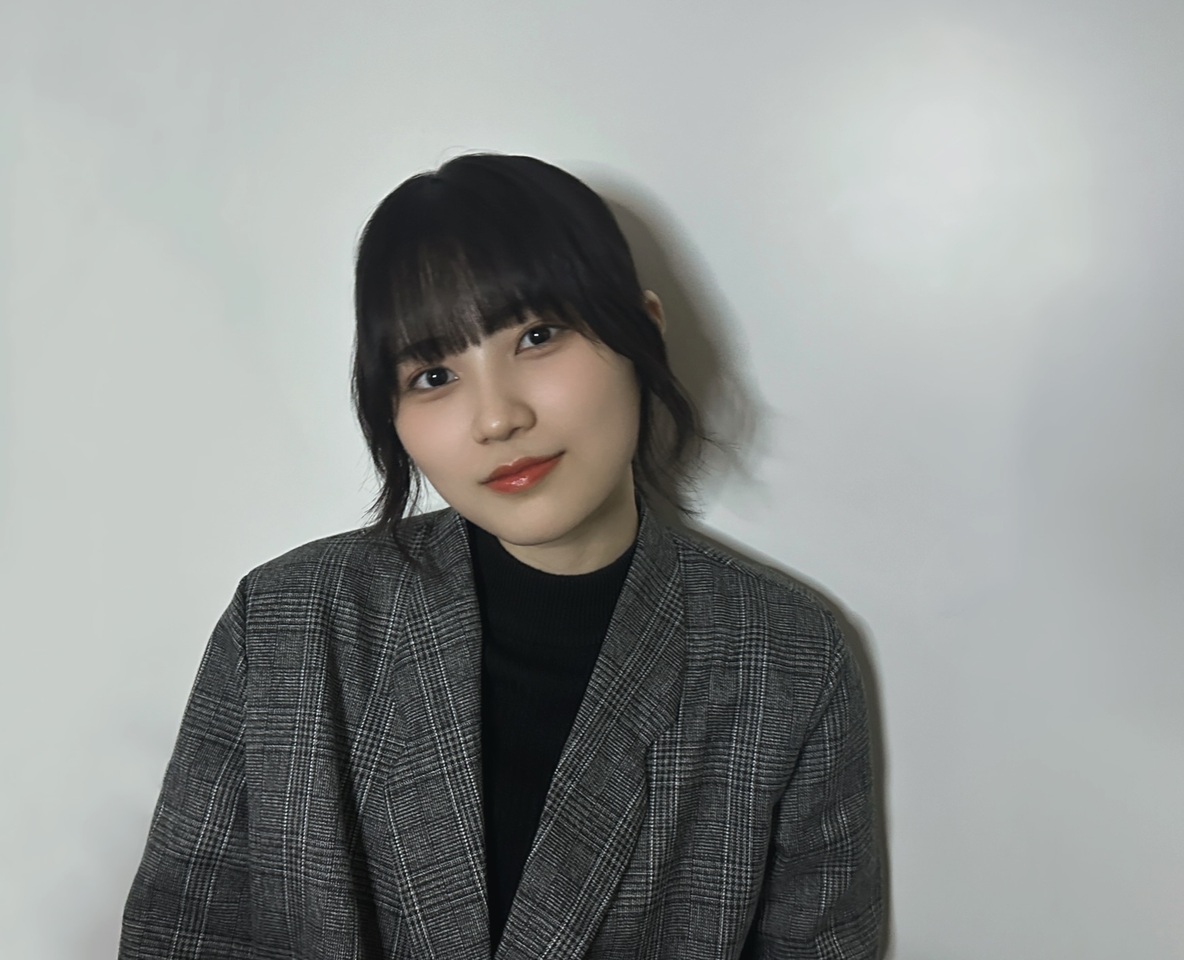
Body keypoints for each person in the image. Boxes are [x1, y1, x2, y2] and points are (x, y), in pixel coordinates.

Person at [119, 153, 883, 959]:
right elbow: (181, 938)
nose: (496, 418)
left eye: (537, 336)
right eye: (433, 374)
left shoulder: (788, 659)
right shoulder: (284, 625)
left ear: (644, 331)